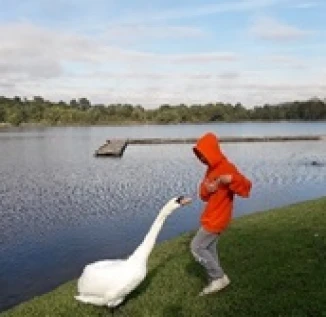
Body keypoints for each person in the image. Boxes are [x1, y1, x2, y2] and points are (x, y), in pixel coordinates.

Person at [191, 132, 252, 296]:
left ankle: (218, 277)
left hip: (218, 218)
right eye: (200, 156)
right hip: (210, 215)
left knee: (196, 247)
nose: (202, 159)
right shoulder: (210, 170)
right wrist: (207, 189)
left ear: (213, 152)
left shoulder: (227, 167)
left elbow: (246, 188)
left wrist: (231, 179)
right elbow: (203, 196)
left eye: (204, 155)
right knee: (209, 248)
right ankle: (216, 280)